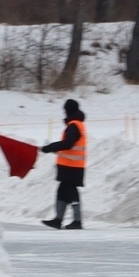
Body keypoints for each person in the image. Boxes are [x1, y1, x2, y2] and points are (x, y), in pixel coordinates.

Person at [38, 98, 86, 229]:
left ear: (67, 111)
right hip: (70, 165)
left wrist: (50, 147)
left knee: (70, 191)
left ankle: (77, 221)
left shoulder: (74, 125)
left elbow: (68, 144)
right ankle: (58, 220)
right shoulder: (76, 124)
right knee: (63, 191)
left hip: (72, 166)